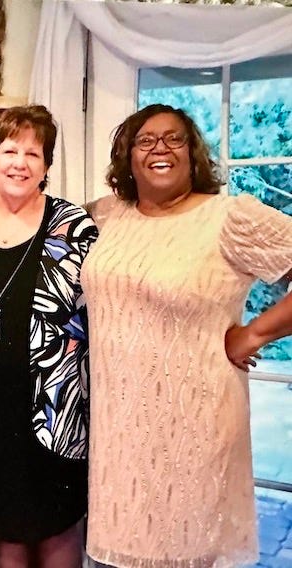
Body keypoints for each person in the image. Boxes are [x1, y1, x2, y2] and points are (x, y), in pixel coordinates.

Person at [81, 103, 292, 567]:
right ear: (128, 157)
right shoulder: (108, 215)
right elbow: (35, 218)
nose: (160, 148)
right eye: (145, 140)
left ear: (192, 153)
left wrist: (254, 334)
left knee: (186, 551)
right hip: (119, 439)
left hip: (195, 430)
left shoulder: (229, 217)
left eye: (173, 138)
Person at [0, 105, 97, 568]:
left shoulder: (73, 226)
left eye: (33, 154)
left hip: (55, 408)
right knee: (2, 535)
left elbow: (103, 309)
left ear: (46, 165)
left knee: (57, 532)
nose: (20, 163)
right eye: (9, 151)